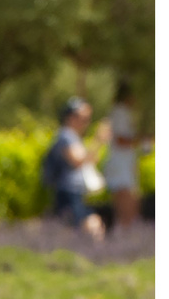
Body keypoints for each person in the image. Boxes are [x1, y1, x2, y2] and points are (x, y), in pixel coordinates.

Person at [41, 96, 107, 240]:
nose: (86, 122)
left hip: (75, 191)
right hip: (68, 191)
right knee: (87, 225)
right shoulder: (66, 136)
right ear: (71, 117)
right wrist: (98, 140)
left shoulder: (73, 137)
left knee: (83, 225)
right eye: (83, 118)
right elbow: (77, 161)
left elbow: (89, 161)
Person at [103, 81, 150, 230]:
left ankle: (126, 237)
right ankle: (126, 238)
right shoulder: (120, 112)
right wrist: (143, 139)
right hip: (120, 166)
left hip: (124, 165)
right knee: (126, 206)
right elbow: (121, 140)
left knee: (129, 205)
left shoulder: (125, 113)